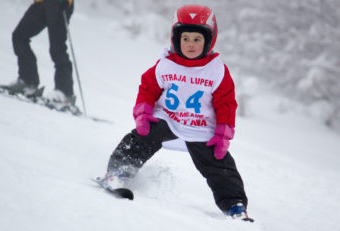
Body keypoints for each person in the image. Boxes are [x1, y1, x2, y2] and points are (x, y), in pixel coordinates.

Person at [101, 5, 251, 220]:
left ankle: (235, 205)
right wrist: (143, 113)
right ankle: (118, 172)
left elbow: (226, 103)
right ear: (175, 38)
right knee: (142, 137)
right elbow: (148, 87)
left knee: (219, 164)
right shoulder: (166, 64)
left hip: (201, 127)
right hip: (168, 119)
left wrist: (222, 133)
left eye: (197, 39)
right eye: (186, 38)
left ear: (209, 40)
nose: (191, 44)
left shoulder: (217, 71)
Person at [0, 0, 75, 105]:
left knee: (57, 48)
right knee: (19, 36)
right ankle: (28, 82)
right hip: (41, 2)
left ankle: (64, 94)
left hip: (59, 3)